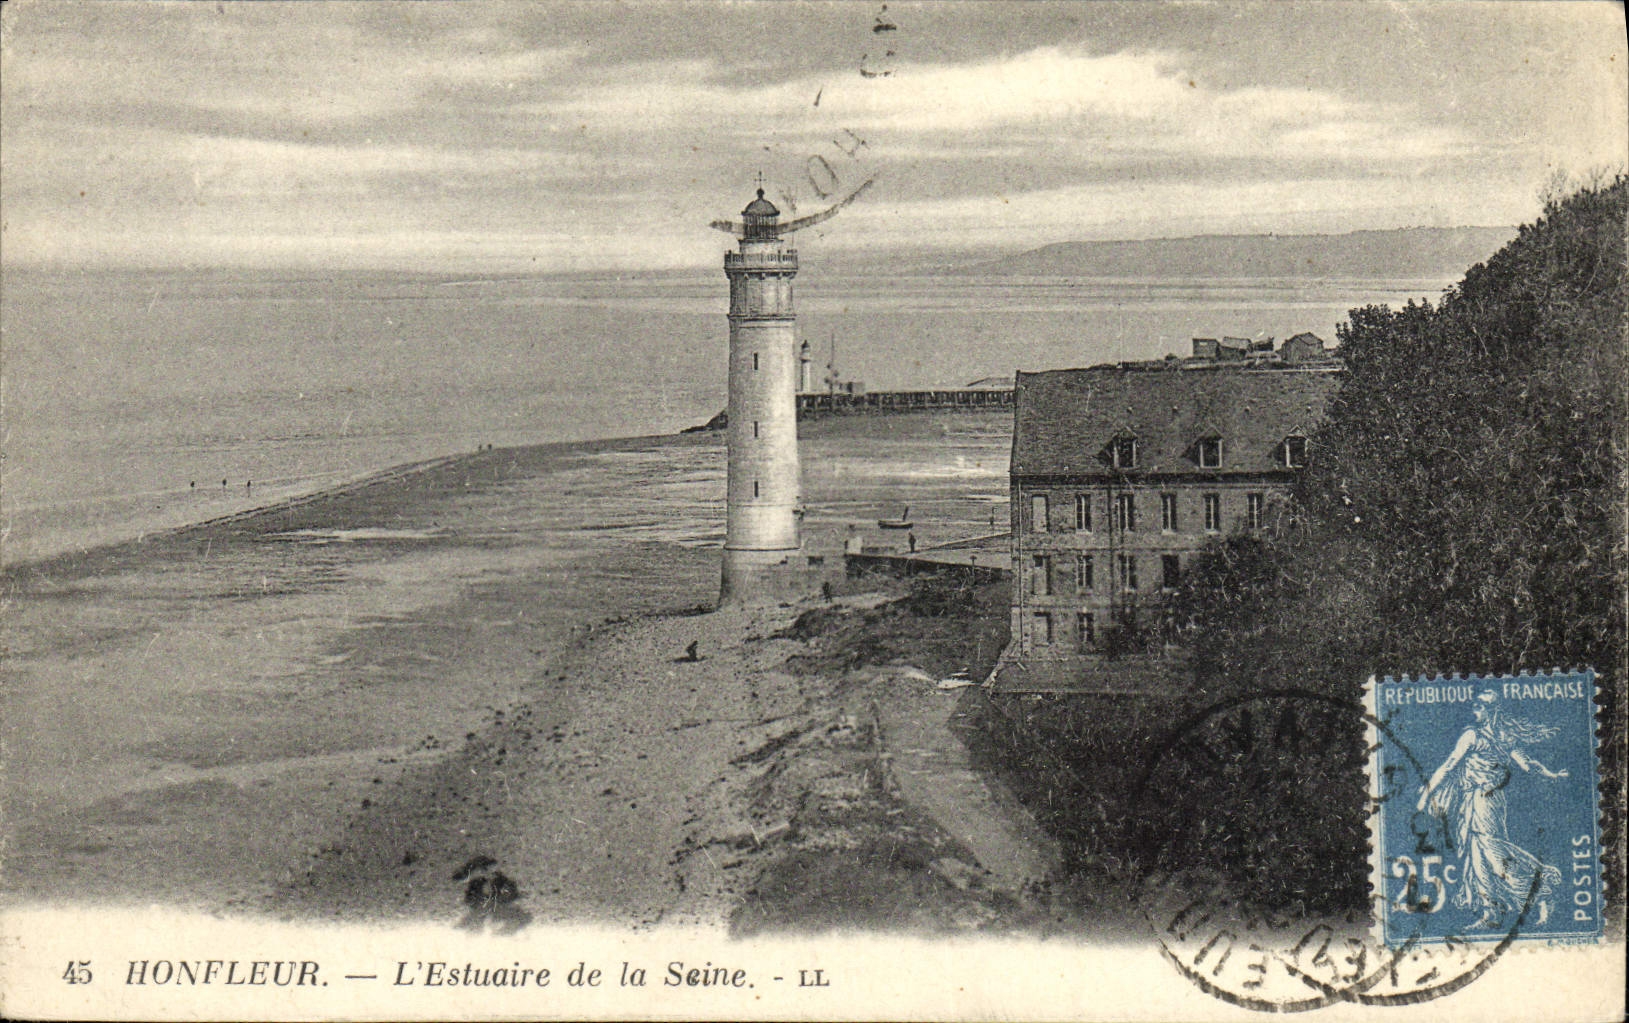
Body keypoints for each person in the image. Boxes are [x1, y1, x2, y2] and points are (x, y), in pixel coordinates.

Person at [1416, 691, 1567, 927]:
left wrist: (1426, 794)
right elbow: (1450, 765)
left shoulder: (1478, 736)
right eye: (1474, 707)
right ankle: (1491, 913)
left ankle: (1542, 891)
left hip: (1485, 800)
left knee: (1493, 854)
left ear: (1491, 710)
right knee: (1477, 856)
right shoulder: (1489, 736)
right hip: (1475, 800)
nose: (1474, 712)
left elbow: (1526, 764)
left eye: (1479, 708)